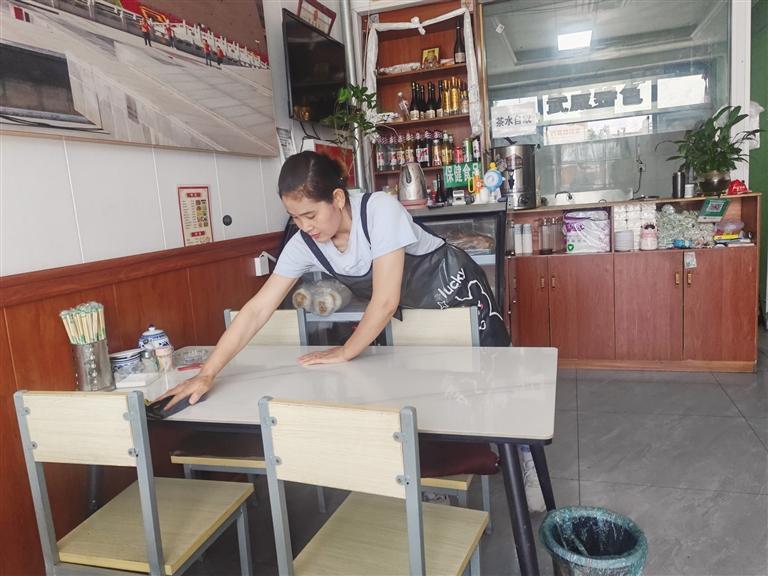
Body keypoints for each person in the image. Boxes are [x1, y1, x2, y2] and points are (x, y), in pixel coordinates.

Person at [158, 152, 546, 509]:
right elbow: (257, 309)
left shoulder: (379, 210)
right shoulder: (305, 244)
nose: (304, 226)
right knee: (430, 392)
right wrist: (208, 373)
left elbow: (385, 301)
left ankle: (524, 458)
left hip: (458, 292)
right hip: (417, 313)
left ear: (338, 198)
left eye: (310, 215)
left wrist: (345, 350)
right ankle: (434, 478)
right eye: (295, 218)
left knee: (498, 386)